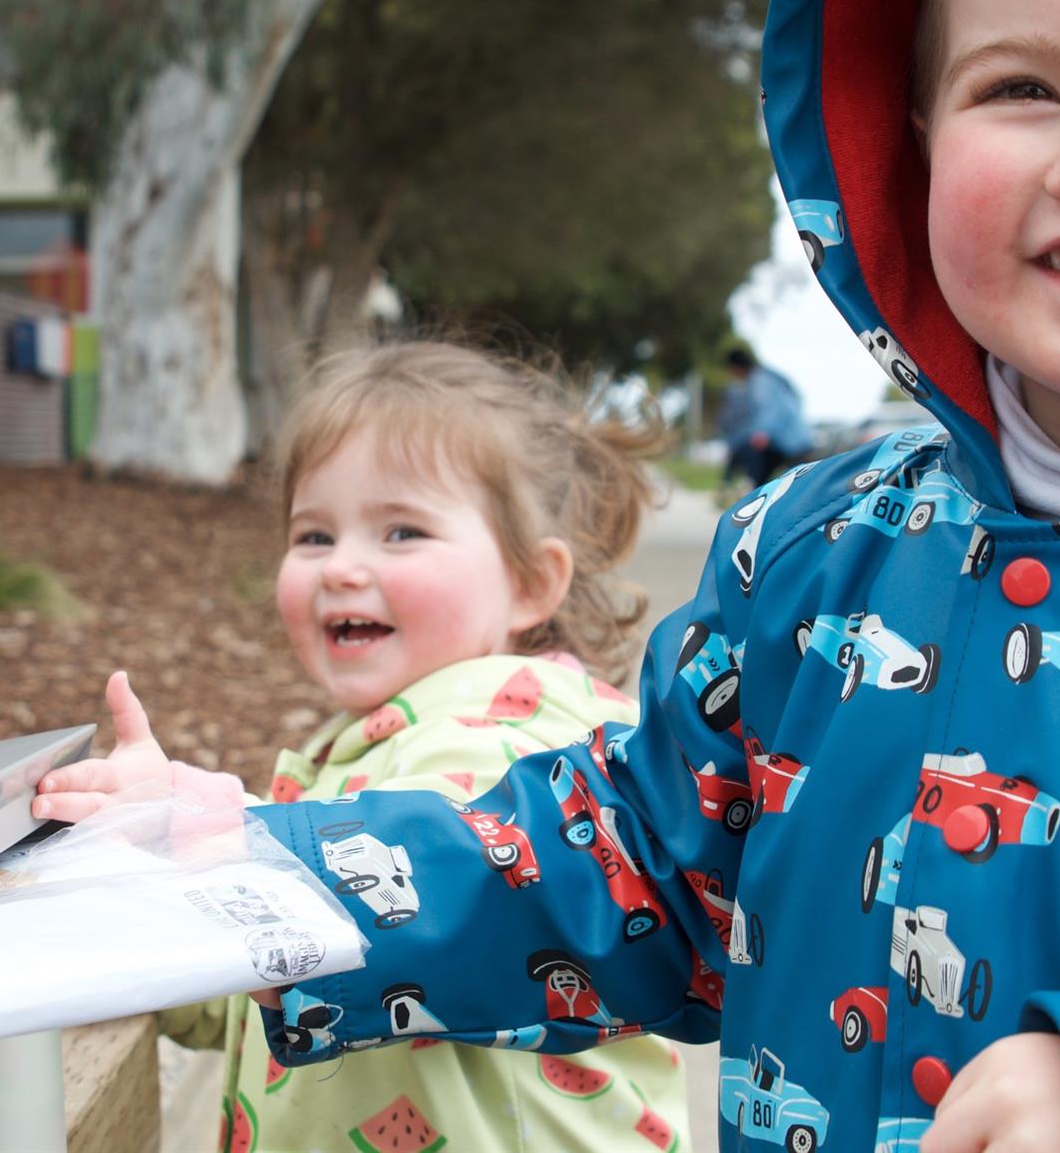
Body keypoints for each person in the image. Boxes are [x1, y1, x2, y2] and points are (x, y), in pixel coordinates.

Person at [41, 0, 1060, 1147]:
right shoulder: (812, 552)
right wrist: (251, 861)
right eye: (1022, 88)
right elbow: (620, 861)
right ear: (912, 143)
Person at [38, 341, 691, 1153]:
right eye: (313, 535)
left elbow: (420, 887)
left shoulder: (519, 742)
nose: (342, 565)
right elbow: (272, 977)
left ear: (530, 583)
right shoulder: (352, 747)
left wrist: (195, 824)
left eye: (402, 530)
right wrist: (154, 928)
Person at [715, 347, 811, 490]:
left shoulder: (759, 382)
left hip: (789, 443)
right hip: (791, 440)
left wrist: (762, 432)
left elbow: (769, 409)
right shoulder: (767, 377)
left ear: (735, 367)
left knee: (798, 485)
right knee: (768, 480)